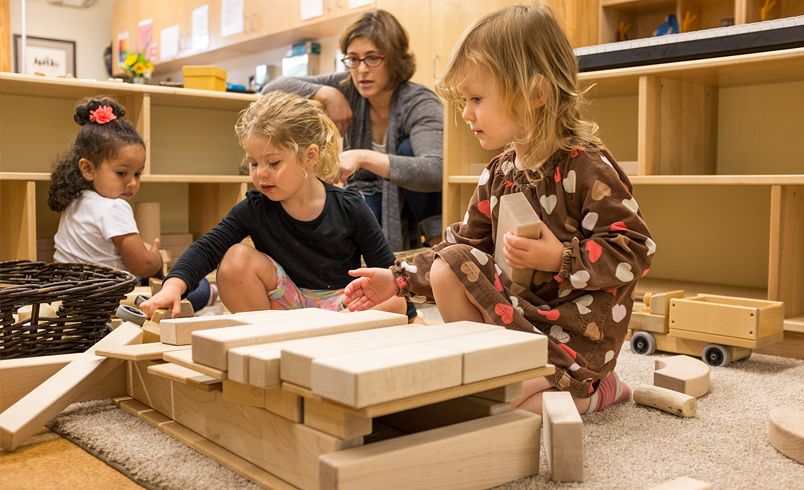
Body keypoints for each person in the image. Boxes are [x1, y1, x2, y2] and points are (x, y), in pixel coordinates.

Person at [342, 3, 655, 415]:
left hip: (576, 335)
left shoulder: (587, 166)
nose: (466, 113)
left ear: (536, 93)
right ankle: (488, 367)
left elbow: (636, 250)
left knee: (513, 409)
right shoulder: (499, 172)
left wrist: (560, 257)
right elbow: (461, 246)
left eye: (476, 98)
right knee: (450, 267)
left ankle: (595, 389)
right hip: (520, 319)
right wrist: (397, 280)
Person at [139, 91, 408, 320]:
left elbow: (386, 270)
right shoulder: (255, 207)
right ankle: (270, 342)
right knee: (235, 259)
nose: (261, 173)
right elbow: (208, 248)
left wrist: (411, 317)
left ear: (309, 157)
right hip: (282, 306)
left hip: (341, 305)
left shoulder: (349, 206)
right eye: (254, 163)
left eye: (273, 163)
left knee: (397, 303)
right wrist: (173, 286)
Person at [262, 9, 443, 251]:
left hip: (415, 202)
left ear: (395, 59)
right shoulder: (346, 85)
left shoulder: (419, 101)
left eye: (373, 58)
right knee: (349, 218)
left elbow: (435, 169)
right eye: (353, 59)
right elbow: (271, 88)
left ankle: (437, 242)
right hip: (365, 192)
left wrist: (362, 156)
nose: (361, 69)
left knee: (407, 149)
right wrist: (326, 93)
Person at [48, 96, 216, 313]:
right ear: (88, 169)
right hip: (111, 299)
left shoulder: (76, 199)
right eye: (121, 173)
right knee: (197, 285)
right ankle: (209, 296)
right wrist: (155, 257)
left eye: (137, 174)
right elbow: (143, 266)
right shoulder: (114, 207)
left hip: (69, 292)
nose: (132, 183)